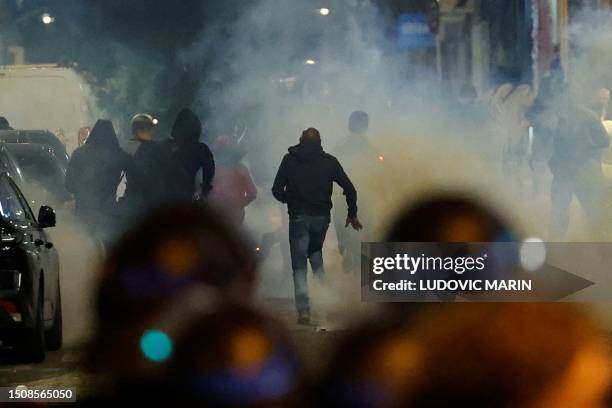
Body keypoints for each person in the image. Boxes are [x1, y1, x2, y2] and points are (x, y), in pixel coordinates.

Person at [272, 127, 362, 324]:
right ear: (319, 142)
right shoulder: (329, 162)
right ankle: (324, 302)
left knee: (299, 266)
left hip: (298, 218)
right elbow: (350, 188)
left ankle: (304, 311)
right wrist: (352, 214)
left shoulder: (289, 160)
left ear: (301, 140)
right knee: (315, 255)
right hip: (321, 219)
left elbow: (276, 190)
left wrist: (293, 200)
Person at [549, 89, 610, 239]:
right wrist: (589, 146)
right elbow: (604, 140)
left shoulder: (556, 117)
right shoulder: (590, 116)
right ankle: (599, 247)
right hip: (585, 171)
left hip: (563, 172)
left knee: (560, 212)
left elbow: (546, 144)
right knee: (592, 210)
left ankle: (556, 248)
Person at [65, 119, 129, 245]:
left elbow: (69, 184)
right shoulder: (119, 155)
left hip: (84, 213)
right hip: (111, 215)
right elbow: (133, 180)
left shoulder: (79, 153)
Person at [333, 111, 376, 274]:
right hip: (362, 196)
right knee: (363, 229)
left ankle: (346, 249)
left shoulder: (340, 146)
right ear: (366, 127)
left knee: (342, 225)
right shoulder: (370, 148)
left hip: (343, 196)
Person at [158, 108, 215, 203]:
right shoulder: (201, 148)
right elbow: (209, 171)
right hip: (187, 197)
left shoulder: (166, 145)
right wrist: (204, 192)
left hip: (166, 198)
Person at [119, 113, 163, 219]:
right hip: (156, 200)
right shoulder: (159, 147)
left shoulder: (129, 147)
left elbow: (117, 171)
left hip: (134, 201)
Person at [208, 135, 257, 225]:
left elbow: (202, 191)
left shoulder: (210, 169)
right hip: (235, 214)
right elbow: (253, 193)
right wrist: (240, 204)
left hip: (215, 214)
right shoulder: (241, 169)